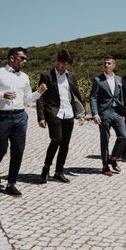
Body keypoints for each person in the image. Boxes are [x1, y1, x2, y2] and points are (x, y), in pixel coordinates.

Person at [0, 47, 47, 196]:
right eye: (22, 58)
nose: (25, 61)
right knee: (1, 149)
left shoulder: (25, 77)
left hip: (20, 117)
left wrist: (39, 93)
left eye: (26, 59)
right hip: (1, 117)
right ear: (11, 58)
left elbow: (27, 99)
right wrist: (1, 95)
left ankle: (11, 183)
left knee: (18, 150)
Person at [36, 50, 85, 184]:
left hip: (68, 113)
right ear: (58, 61)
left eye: (67, 63)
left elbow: (76, 95)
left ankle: (59, 172)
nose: (64, 66)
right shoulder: (47, 76)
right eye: (63, 62)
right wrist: (41, 117)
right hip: (54, 113)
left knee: (65, 144)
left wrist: (80, 114)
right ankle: (46, 168)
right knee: (56, 140)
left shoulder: (72, 76)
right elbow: (40, 97)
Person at [89, 55, 126, 176]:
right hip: (104, 113)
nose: (106, 65)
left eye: (109, 63)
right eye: (105, 63)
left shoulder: (119, 79)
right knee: (105, 140)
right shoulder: (98, 80)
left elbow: (120, 97)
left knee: (123, 136)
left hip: (117, 113)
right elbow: (93, 98)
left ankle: (113, 158)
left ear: (114, 65)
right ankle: (105, 165)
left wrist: (122, 112)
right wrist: (95, 114)